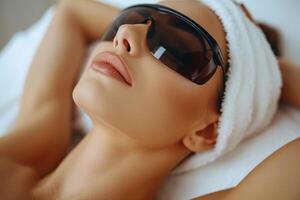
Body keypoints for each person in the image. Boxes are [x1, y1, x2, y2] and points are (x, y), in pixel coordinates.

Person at [0, 0, 299, 199]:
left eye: (176, 47)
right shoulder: (29, 148)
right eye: (128, 18)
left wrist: (264, 69)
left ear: (207, 131)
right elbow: (71, 11)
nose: (125, 34)